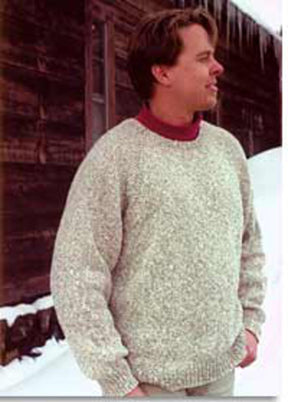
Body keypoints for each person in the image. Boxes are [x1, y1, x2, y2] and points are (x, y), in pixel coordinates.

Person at [50, 7, 267, 398]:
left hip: (220, 372)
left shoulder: (227, 151)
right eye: (203, 58)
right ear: (162, 72)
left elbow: (249, 244)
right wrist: (117, 380)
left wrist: (250, 322)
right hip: (148, 385)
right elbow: (76, 275)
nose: (217, 67)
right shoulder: (115, 157)